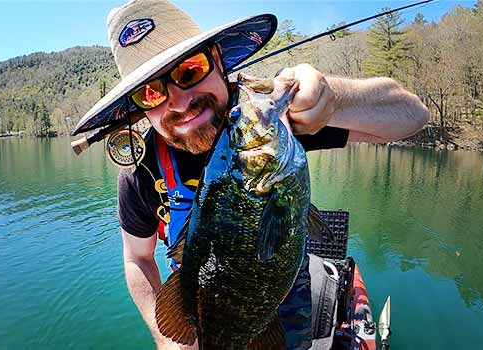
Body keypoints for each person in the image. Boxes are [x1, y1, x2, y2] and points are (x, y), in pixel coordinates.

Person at [73, 1, 429, 349]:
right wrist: (169, 339)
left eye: (189, 70)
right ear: (139, 108)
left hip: (286, 311)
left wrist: (333, 99)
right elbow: (138, 258)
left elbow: (412, 115)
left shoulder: (269, 124)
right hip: (202, 312)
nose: (179, 103)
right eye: (151, 92)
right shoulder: (142, 174)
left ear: (217, 59)